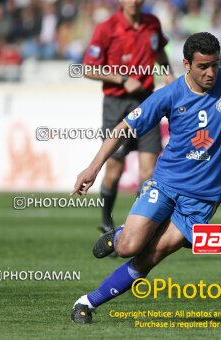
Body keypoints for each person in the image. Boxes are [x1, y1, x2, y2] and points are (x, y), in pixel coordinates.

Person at [70, 32, 221, 324]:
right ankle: (118, 237)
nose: (211, 72)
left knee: (150, 256)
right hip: (165, 184)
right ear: (186, 64)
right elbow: (122, 129)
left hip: (202, 200)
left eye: (215, 65)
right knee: (129, 246)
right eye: (203, 66)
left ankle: (86, 302)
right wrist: (93, 168)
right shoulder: (169, 95)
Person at [82, 0, 174, 235]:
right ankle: (106, 225)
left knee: (147, 172)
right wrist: (122, 79)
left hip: (146, 102)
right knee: (114, 170)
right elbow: (89, 68)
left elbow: (159, 51)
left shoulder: (152, 23)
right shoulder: (106, 28)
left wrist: (167, 73)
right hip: (117, 104)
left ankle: (135, 229)